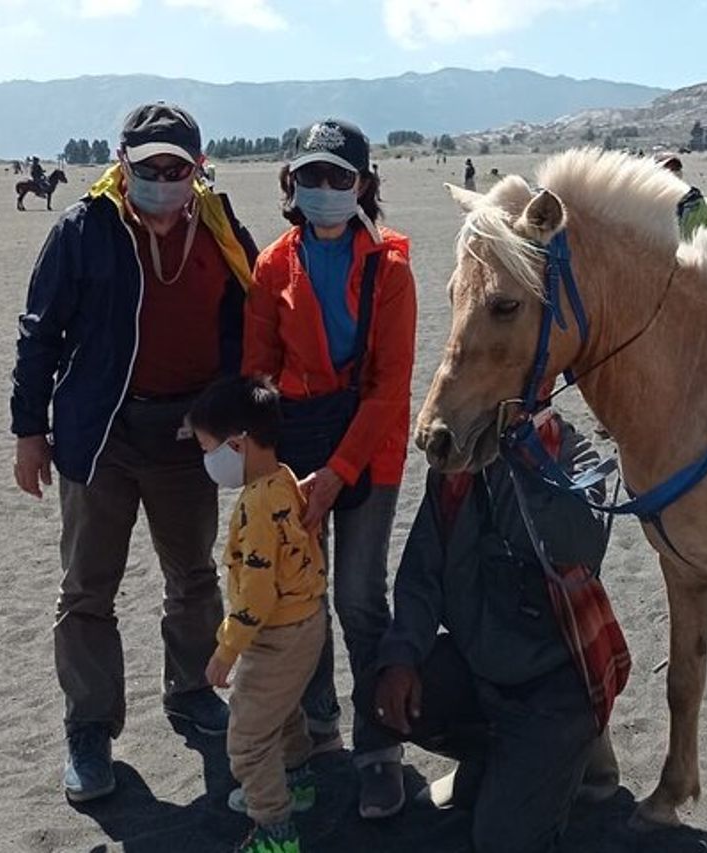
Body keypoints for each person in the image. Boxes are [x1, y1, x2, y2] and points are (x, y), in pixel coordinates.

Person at [10, 102, 258, 803]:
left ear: (197, 169)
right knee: (88, 587)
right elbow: (39, 333)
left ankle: (190, 692)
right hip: (103, 435)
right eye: (146, 166)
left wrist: (232, 411)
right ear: (122, 164)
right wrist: (30, 431)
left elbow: (248, 313)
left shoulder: (218, 228)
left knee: (193, 575)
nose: (160, 178)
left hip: (188, 436)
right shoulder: (83, 229)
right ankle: (89, 727)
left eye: (174, 167)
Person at [243, 118, 417, 818]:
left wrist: (338, 473)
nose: (323, 189)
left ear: (364, 186)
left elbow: (388, 387)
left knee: (357, 598)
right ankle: (319, 734)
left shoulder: (391, 270)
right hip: (294, 442)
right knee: (300, 600)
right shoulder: (272, 266)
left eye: (338, 177)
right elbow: (258, 370)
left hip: (368, 449)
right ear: (290, 183)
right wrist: (273, 473)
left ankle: (380, 750)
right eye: (309, 175)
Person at [365, 409, 629, 853]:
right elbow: (421, 576)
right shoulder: (456, 467)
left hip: (555, 691)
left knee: (500, 841)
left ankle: (576, 766)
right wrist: (401, 659)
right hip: (483, 674)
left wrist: (522, 456)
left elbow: (580, 541)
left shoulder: (567, 450)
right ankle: (495, 762)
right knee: (378, 687)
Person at [189, 376, 327, 853]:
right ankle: (298, 781)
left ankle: (275, 832)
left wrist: (227, 650)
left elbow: (257, 594)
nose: (207, 462)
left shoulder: (257, 502)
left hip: (279, 634)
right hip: (307, 622)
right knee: (283, 710)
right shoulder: (285, 477)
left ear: (236, 444)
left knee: (247, 740)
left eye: (208, 450)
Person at [654, 151, 707, 239]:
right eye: (666, 169)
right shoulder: (646, 206)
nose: (671, 172)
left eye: (675, 168)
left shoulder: (704, 206)